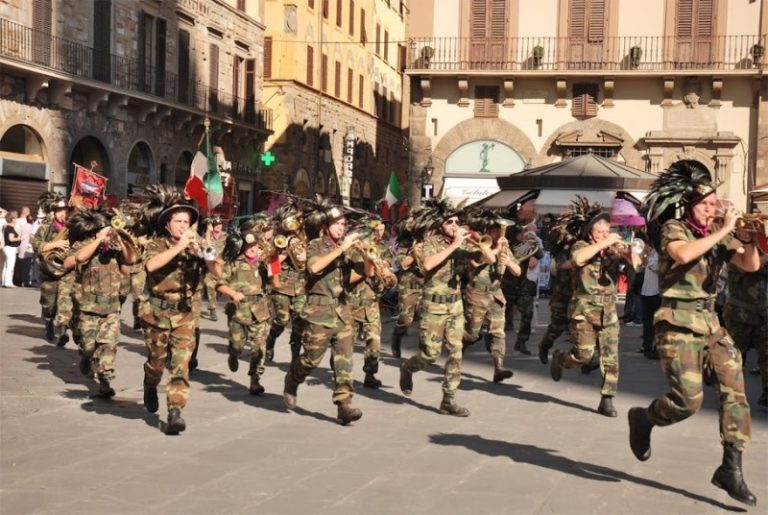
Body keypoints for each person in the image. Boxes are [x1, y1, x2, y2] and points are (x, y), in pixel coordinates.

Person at [628, 160, 759, 507]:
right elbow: (682, 254)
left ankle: (731, 467)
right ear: (689, 205)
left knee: (736, 391)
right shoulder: (676, 228)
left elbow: (750, 265)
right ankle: (644, 419)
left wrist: (749, 237)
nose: (712, 208)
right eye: (705, 204)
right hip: (677, 323)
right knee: (688, 402)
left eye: (714, 203)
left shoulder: (718, 232)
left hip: (711, 324)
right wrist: (723, 230)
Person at [549, 197, 641, 417]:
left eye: (606, 230)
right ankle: (561, 358)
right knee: (584, 354)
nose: (604, 234)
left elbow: (636, 266)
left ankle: (607, 398)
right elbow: (578, 259)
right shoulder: (582, 246)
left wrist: (628, 251)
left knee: (611, 356)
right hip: (584, 309)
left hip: (608, 311)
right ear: (591, 232)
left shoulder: (610, 250)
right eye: (600, 231)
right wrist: (604, 243)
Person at [282, 202, 367, 425]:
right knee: (311, 358)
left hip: (342, 310)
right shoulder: (315, 245)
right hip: (319, 311)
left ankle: (344, 405)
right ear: (325, 226)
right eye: (337, 224)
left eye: (343, 224)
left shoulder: (348, 248)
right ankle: (293, 379)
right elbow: (314, 268)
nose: (342, 228)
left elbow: (358, 276)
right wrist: (341, 249)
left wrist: (369, 259)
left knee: (344, 360)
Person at [140, 186, 208, 435]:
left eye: (186, 222)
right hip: (157, 312)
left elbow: (219, 273)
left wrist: (206, 254)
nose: (182, 226)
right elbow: (151, 266)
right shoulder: (156, 244)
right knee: (157, 363)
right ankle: (150, 383)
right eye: (178, 221)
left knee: (181, 365)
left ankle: (175, 411)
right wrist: (180, 248)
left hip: (185, 314)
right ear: (168, 224)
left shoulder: (196, 244)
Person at [399, 199, 476, 416]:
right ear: (439, 224)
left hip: (455, 305)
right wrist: (454, 246)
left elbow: (485, 257)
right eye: (449, 222)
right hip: (433, 306)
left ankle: (448, 399)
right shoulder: (426, 243)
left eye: (456, 221)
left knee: (456, 353)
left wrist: (491, 247)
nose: (454, 225)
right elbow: (427, 264)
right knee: (430, 354)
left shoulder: (461, 242)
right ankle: (408, 368)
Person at [62, 206, 136, 397]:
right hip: (88, 308)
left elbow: (131, 259)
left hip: (111, 308)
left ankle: (105, 381)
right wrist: (99, 241)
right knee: (88, 346)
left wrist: (120, 239)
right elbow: (78, 258)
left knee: (108, 345)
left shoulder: (116, 248)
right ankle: (86, 358)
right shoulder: (84, 244)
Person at [462, 211, 522, 382]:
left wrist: (509, 262)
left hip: (495, 294)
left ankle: (499, 367)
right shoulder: (476, 243)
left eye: (500, 230)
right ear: (487, 230)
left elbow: (518, 272)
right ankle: (456, 348)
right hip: (477, 293)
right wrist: (496, 249)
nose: (499, 233)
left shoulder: (504, 247)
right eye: (495, 230)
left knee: (498, 332)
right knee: (472, 334)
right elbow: (481, 261)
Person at [215, 218, 272, 395]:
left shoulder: (264, 262)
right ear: (243, 248)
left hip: (259, 309)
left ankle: (255, 380)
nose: (253, 249)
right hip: (239, 310)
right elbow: (219, 284)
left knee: (259, 347)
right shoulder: (234, 263)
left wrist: (272, 265)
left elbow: (274, 278)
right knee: (238, 345)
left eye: (255, 246)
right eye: (249, 247)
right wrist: (232, 294)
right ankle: (233, 353)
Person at [348, 216, 397, 388]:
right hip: (352, 301)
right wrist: (367, 269)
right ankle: (341, 371)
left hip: (371, 301)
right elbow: (346, 278)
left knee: (374, 340)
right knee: (346, 341)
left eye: (382, 226)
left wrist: (385, 271)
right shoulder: (353, 248)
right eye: (376, 226)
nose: (380, 229)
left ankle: (370, 373)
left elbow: (389, 274)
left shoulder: (384, 249)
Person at [723, 254, 768, 407]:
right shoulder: (740, 250)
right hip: (740, 315)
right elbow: (746, 266)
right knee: (734, 357)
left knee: (766, 356)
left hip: (764, 315)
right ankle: (730, 394)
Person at [265, 202, 307, 363]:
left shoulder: (305, 237)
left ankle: (295, 356)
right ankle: (271, 339)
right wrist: (273, 277)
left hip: (301, 286)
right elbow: (273, 263)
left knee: (299, 323)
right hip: (283, 286)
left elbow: (305, 259)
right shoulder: (282, 239)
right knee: (282, 320)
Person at [31, 193, 70, 342]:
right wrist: (55, 244)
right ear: (53, 211)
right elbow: (36, 244)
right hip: (49, 271)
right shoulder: (46, 227)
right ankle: (48, 324)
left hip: (66, 272)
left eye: (65, 210)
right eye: (60, 210)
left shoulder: (71, 226)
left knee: (66, 301)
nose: (63, 213)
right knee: (49, 305)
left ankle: (63, 331)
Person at [537, 229, 576, 364]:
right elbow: (562, 266)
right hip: (562, 297)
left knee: (581, 331)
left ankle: (585, 361)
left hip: (579, 299)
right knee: (557, 328)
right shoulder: (563, 252)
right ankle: (544, 345)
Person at [202, 216, 227, 321]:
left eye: (219, 224)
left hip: (222, 265)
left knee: (221, 286)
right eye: (215, 225)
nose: (218, 227)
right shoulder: (208, 235)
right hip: (211, 265)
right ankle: (212, 309)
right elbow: (206, 246)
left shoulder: (226, 236)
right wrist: (208, 232)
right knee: (210, 285)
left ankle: (215, 299)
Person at [639, 247, 660, 359]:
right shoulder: (651, 251)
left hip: (656, 291)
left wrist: (647, 258)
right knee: (647, 320)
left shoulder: (661, 252)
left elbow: (656, 267)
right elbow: (640, 267)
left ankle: (656, 348)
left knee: (655, 322)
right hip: (646, 290)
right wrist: (643, 256)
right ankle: (647, 346)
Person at [13, 206, 33, 287]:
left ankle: (18, 280)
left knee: (18, 263)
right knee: (27, 264)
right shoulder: (27, 223)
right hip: (27, 244)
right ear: (27, 212)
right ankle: (25, 281)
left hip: (18, 244)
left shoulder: (16, 221)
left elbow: (16, 232)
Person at [2, 210, 20, 287]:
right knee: (10, 266)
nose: (17, 220)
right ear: (12, 219)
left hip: (7, 248)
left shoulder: (6, 227)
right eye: (16, 218)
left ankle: (4, 282)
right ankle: (8, 283)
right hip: (11, 248)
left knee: (6, 265)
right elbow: (11, 239)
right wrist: (19, 238)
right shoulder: (10, 228)